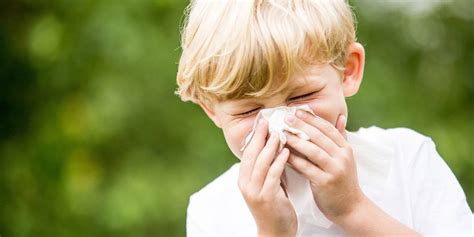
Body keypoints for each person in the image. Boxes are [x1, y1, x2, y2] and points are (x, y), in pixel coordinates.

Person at [175, 0, 473, 236]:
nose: (281, 124)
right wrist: (273, 232)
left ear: (348, 72)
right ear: (213, 110)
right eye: (249, 111)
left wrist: (353, 210)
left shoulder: (406, 159)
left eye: (302, 96)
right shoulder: (212, 209)